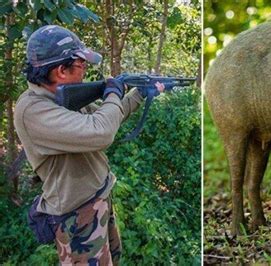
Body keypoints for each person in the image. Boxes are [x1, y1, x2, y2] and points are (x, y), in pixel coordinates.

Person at [14, 25, 164, 265]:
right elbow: (101, 131)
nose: (85, 71)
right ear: (61, 70)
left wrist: (138, 95)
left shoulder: (62, 96)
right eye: (81, 65)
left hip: (98, 198)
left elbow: (109, 117)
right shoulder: (33, 109)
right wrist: (113, 93)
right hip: (76, 215)